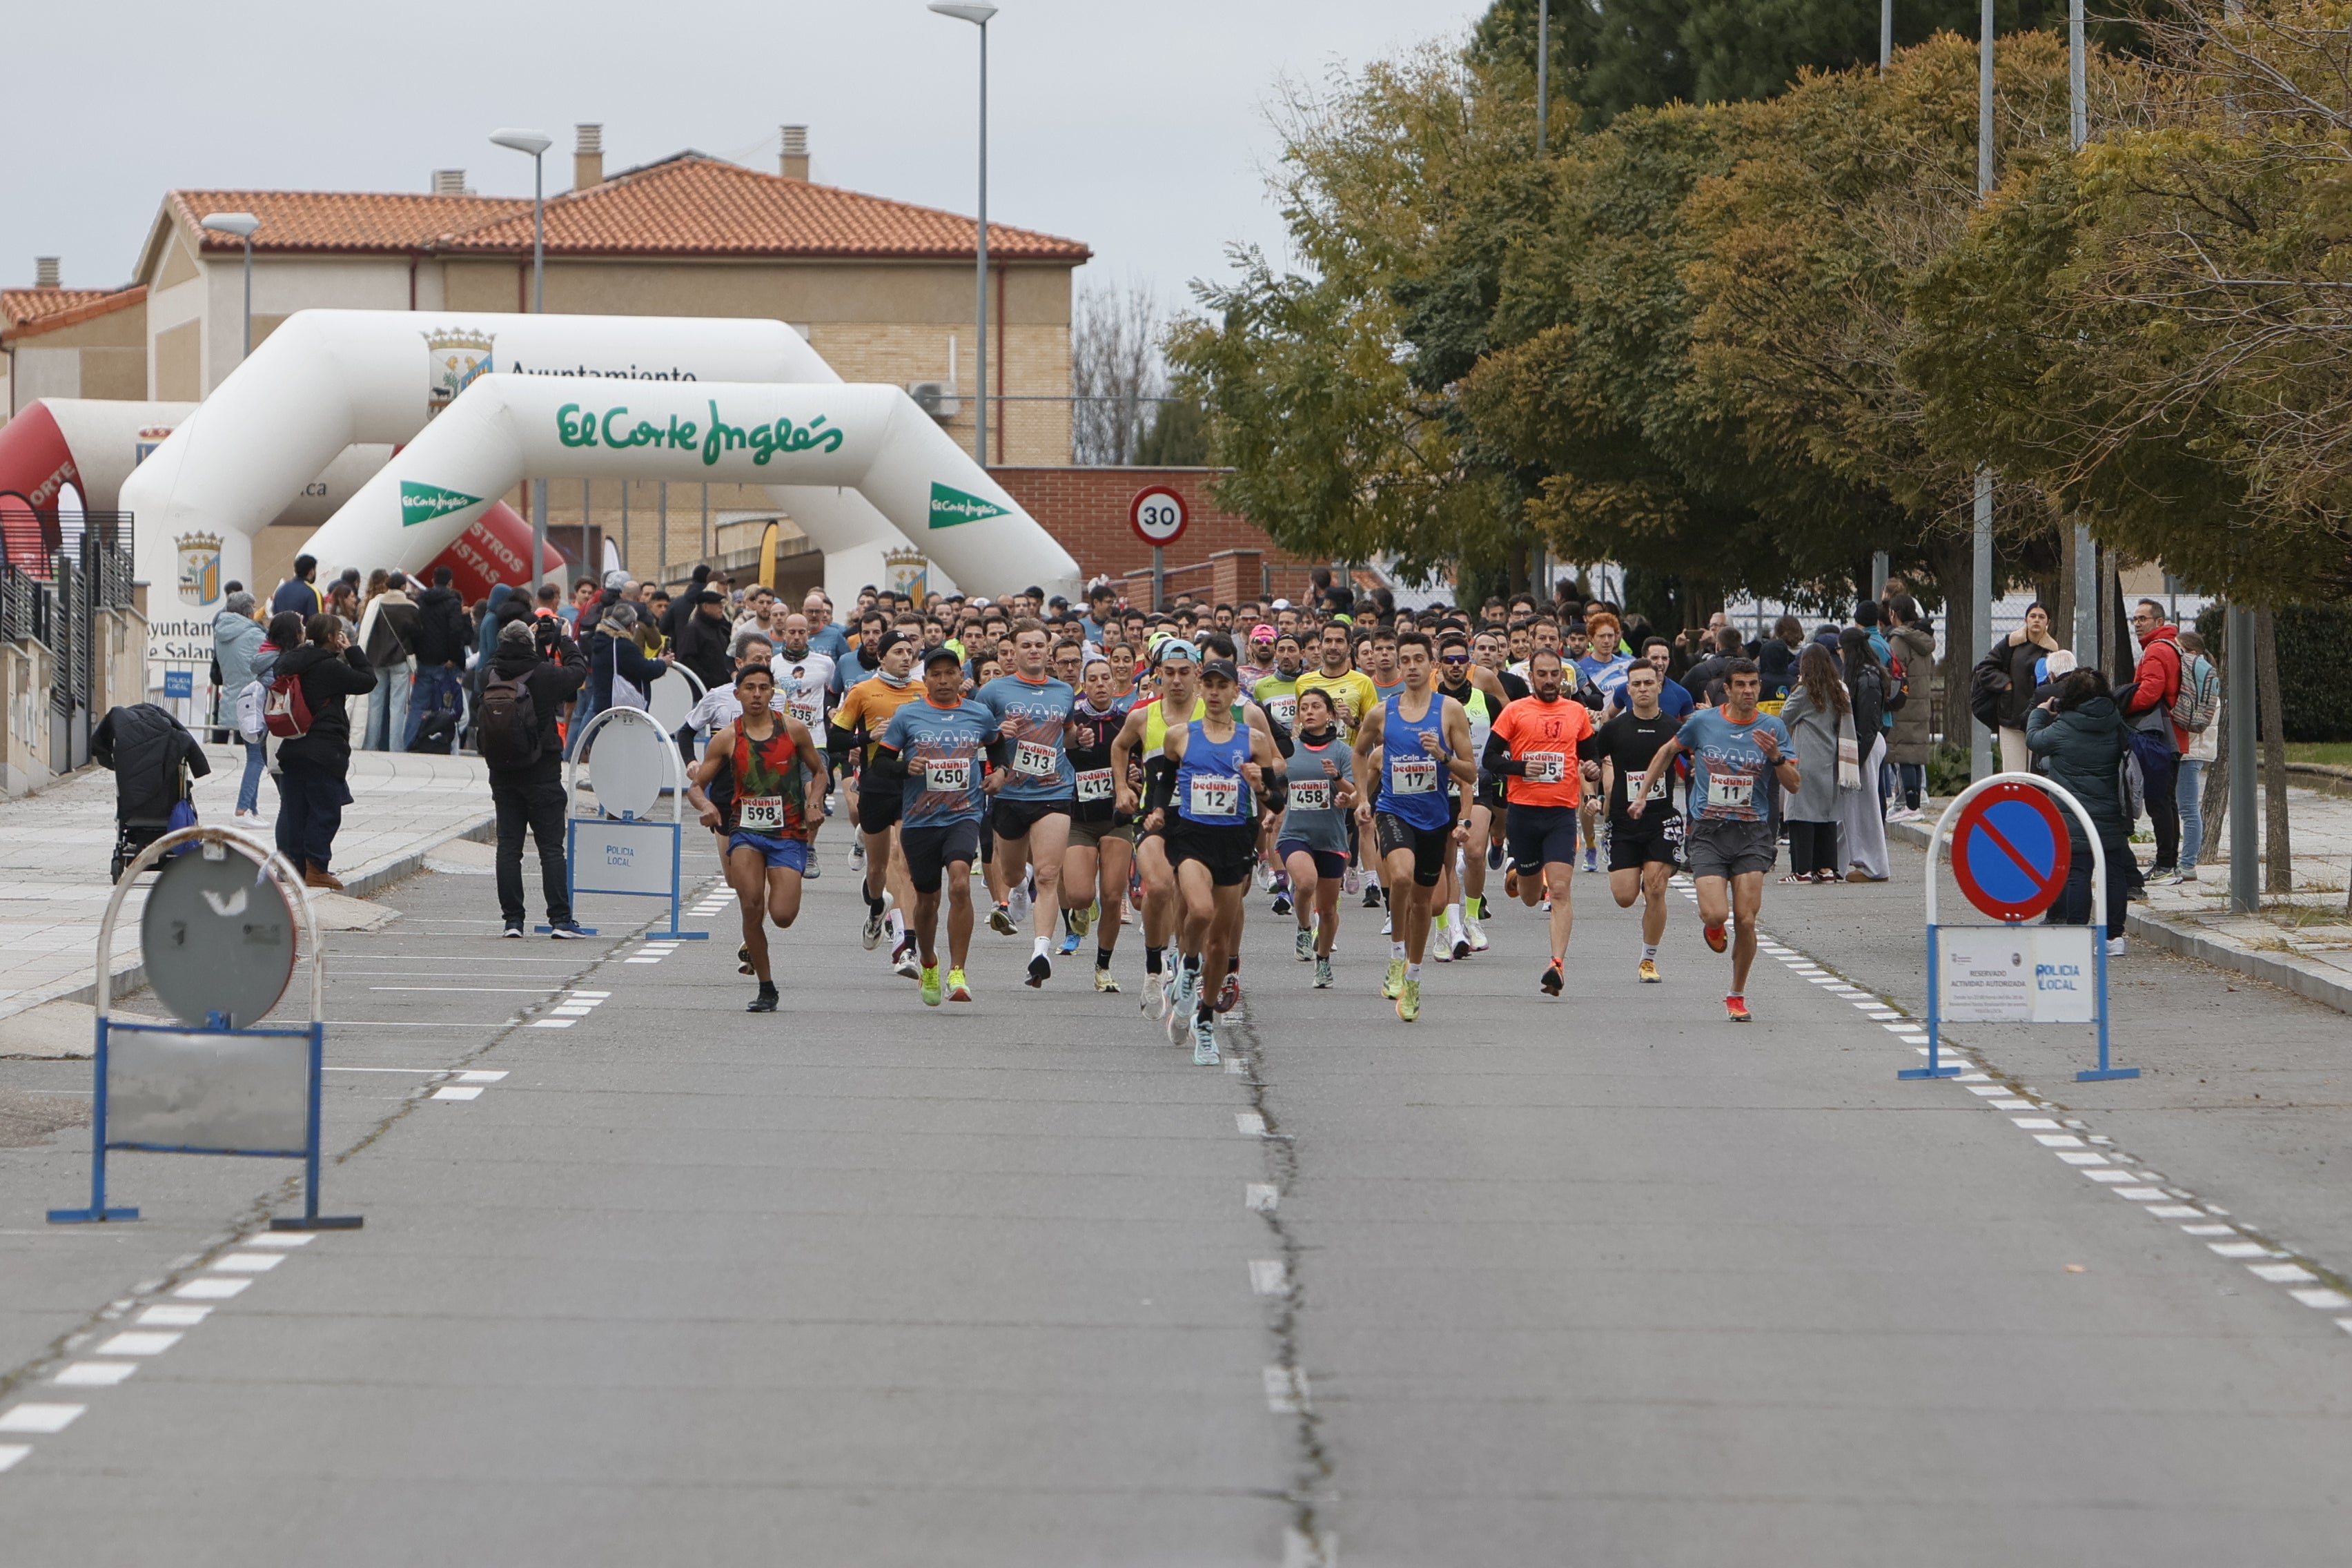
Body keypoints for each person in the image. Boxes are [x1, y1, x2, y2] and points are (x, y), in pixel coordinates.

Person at [1630, 659, 1798, 1022]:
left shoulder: (1773, 727)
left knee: (1748, 921)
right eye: (1740, 685)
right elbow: (1666, 752)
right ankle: (1713, 925)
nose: (1749, 691)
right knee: (1716, 912)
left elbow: (1794, 783)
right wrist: (1643, 795)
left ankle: (1736, 995)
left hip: (1753, 831)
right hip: (1708, 830)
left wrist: (1776, 757)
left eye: (1754, 684)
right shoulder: (1703, 723)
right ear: (1728, 688)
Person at [1150, 658, 1284, 1062]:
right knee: (1201, 910)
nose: (1212, 692)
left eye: (1221, 685)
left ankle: (1204, 1024)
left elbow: (1276, 800)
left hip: (1235, 840)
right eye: (1206, 684)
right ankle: (1188, 966)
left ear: (1234, 692)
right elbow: (1164, 783)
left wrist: (1260, 787)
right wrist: (1157, 811)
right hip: (1191, 838)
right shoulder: (1180, 737)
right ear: (1198, 689)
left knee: (1222, 945)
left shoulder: (1255, 740)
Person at [687, 663, 830, 1011]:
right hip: (746, 831)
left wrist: (814, 802)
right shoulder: (728, 736)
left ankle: (766, 955)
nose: (756, 694)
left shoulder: (794, 731)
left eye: (763, 688)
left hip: (788, 833)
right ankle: (767, 987)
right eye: (749, 687)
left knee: (782, 915)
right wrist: (706, 806)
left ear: (772, 693)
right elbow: (696, 787)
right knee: (751, 905)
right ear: (737, 693)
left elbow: (820, 771)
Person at [1352, 631, 1476, 1023]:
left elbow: (1471, 771)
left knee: (1425, 902)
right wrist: (1362, 798)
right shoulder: (1382, 713)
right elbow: (1358, 752)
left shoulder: (1449, 710)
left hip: (1435, 819)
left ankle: (1414, 977)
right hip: (1393, 810)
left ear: (1432, 665)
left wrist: (1442, 756)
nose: (1411, 667)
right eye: (1404, 660)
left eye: (1418, 660)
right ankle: (1396, 956)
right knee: (1401, 876)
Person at [875, 645, 1001, 1006]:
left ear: (962, 678)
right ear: (925, 679)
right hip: (919, 820)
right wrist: (905, 767)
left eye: (951, 673)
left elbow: (997, 746)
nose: (944, 680)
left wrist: (1001, 773)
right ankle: (929, 962)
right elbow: (881, 763)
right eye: (936, 674)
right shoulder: (908, 715)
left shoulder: (978, 714)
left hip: (964, 814)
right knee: (927, 901)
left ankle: (958, 972)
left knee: (961, 882)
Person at [1485, 649, 1596, 997]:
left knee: (1560, 891)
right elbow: (1490, 758)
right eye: (1542, 674)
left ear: (1563, 678)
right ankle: (1519, 872)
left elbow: (1591, 757)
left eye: (1554, 675)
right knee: (1531, 897)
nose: (1549, 680)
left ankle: (1557, 965)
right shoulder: (1515, 712)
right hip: (1523, 814)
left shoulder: (1576, 712)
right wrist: (1520, 768)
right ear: (1531, 677)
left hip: (1561, 814)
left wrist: (1592, 771)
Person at [975, 620, 1078, 987]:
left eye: (1040, 645)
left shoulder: (1064, 691)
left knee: (1050, 875)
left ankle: (1040, 952)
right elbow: (974, 736)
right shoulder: (993, 691)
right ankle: (1020, 887)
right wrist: (998, 735)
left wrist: (1075, 737)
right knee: (1012, 874)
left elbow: (1068, 733)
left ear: (1048, 652)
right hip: (1010, 794)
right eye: (1027, 646)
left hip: (1054, 791)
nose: (1034, 651)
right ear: (1013, 652)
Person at [477, 616, 591, 937]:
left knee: (508, 848)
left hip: (502, 774)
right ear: (530, 646)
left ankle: (513, 921)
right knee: (551, 849)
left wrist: (527, 635)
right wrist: (565, 639)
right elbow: (578, 672)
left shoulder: (489, 674)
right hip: (542, 773)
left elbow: (494, 660)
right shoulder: (544, 675)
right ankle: (560, 920)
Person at [832, 630, 926, 974]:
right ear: (882, 657)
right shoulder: (863, 691)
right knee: (877, 871)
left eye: (910, 652)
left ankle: (906, 945)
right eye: (898, 652)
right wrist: (865, 736)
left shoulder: (923, 693)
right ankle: (876, 909)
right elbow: (835, 737)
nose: (906, 657)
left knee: (905, 863)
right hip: (876, 785)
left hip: (913, 787)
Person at [2027, 667, 2134, 954]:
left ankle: (2077, 934)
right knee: (2114, 873)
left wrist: (2039, 712)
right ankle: (2114, 938)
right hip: (2111, 812)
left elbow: (2034, 740)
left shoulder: (2063, 727)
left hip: (2073, 817)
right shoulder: (2115, 722)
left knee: (2078, 873)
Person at [271, 611, 378, 890]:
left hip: (293, 745)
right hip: (323, 750)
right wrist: (352, 649)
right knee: (325, 811)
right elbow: (367, 681)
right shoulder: (329, 668)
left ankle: (294, 868)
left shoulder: (292, 662)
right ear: (333, 637)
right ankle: (316, 869)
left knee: (295, 810)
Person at [1590, 661, 1682, 981]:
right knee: (1626, 897)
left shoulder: (1673, 727)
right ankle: (1637, 875)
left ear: (1659, 687)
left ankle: (1648, 960)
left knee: (1656, 888)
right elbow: (1590, 762)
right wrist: (1592, 789)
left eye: (1648, 683)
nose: (1643, 689)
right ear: (1627, 690)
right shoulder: (1614, 729)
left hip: (1661, 818)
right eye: (1636, 684)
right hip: (1623, 821)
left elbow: (1696, 760)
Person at [1275, 686, 1358, 988]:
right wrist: (1271, 809)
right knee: (1305, 881)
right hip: (1295, 833)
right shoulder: (1289, 751)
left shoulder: (1342, 752)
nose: (1309, 712)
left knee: (1329, 910)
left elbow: (1354, 794)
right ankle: (1302, 926)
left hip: (1332, 838)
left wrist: (1338, 782)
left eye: (1316, 707)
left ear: (1330, 714)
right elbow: (1276, 786)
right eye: (1304, 707)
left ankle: (1323, 960)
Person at [1063, 656, 1135, 992]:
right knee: (1080, 894)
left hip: (1116, 818)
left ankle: (1103, 966)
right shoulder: (1072, 721)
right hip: (1078, 819)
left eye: (1106, 678)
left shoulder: (1129, 722)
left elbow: (1145, 759)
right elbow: (1055, 757)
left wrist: (1138, 775)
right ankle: (1079, 908)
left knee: (1111, 896)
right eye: (1093, 679)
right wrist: (1073, 743)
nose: (1101, 684)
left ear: (1115, 682)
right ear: (1084, 684)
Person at [2121, 598, 2187, 883]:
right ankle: (2169, 862)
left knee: (2158, 801)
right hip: (2173, 735)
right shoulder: (2168, 647)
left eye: (2143, 619)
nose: (2137, 624)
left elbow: (2149, 693)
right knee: (2167, 800)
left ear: (2159, 622)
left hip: (2162, 737)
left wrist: (2120, 703)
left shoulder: (2157, 651)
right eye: (2134, 619)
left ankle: (2164, 865)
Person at [1775, 643, 1850, 884]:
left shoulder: (1805, 691)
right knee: (1827, 816)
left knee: (1800, 815)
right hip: (1830, 758)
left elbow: (1784, 717)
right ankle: (1826, 868)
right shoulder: (1838, 691)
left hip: (1806, 758)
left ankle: (1802, 870)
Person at [1836, 626, 1891, 881]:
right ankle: (1848, 862)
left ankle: (1874, 866)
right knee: (1857, 806)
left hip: (1863, 745)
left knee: (1865, 807)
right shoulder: (1868, 674)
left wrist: (1856, 757)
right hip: (1863, 744)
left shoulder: (1864, 678)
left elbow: (1867, 724)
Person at [213, 591, 270, 820]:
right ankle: (244, 807)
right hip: (254, 703)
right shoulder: (252, 633)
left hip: (233, 702)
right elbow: (267, 657)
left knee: (253, 755)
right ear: (248, 612)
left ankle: (253, 810)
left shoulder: (222, 633)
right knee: (256, 758)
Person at [406, 566, 472, 751]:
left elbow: (416, 628)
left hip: (424, 660)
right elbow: (455, 631)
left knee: (417, 706)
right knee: (445, 706)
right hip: (446, 663)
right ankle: (441, 744)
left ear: (433, 581)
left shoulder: (421, 601)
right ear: (450, 583)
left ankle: (409, 742)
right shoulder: (452, 603)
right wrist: (454, 657)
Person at [1991, 602, 2062, 773]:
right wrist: (2006, 685)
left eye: (2041, 617)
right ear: (2026, 620)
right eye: (2033, 616)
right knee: (2014, 775)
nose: (2036, 620)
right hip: (2011, 719)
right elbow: (1986, 668)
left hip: (2039, 722)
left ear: (2048, 623)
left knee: (2036, 776)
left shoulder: (2053, 651)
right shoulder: (2010, 644)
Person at [2174, 629, 2220, 881]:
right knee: (2186, 808)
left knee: (2189, 809)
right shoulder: (2203, 680)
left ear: (2191, 654)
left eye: (2179, 650)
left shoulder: (2199, 681)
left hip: (2191, 752)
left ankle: (2188, 863)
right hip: (2192, 750)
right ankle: (2183, 860)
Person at [1884, 595, 1935, 819]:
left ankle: (1908, 806)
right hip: (1921, 702)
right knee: (1915, 754)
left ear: (1894, 613)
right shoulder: (1924, 640)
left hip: (1903, 704)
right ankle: (1914, 805)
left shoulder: (1898, 641)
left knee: (1903, 753)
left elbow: (1894, 672)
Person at [355, 572, 419, 752]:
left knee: (374, 705)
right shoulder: (411, 607)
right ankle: (395, 747)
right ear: (403, 586)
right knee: (398, 706)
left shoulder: (376, 604)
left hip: (376, 659)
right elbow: (417, 635)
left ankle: (370, 745)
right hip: (400, 660)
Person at [675, 587, 735, 692]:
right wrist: (707, 679)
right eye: (717, 604)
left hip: (720, 689)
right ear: (705, 607)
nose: (721, 607)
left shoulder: (719, 629)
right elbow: (686, 659)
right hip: (701, 691)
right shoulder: (694, 629)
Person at [271, 554, 323, 619]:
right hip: (302, 628)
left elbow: (274, 615)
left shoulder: (280, 590)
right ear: (312, 571)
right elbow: (318, 622)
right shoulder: (312, 592)